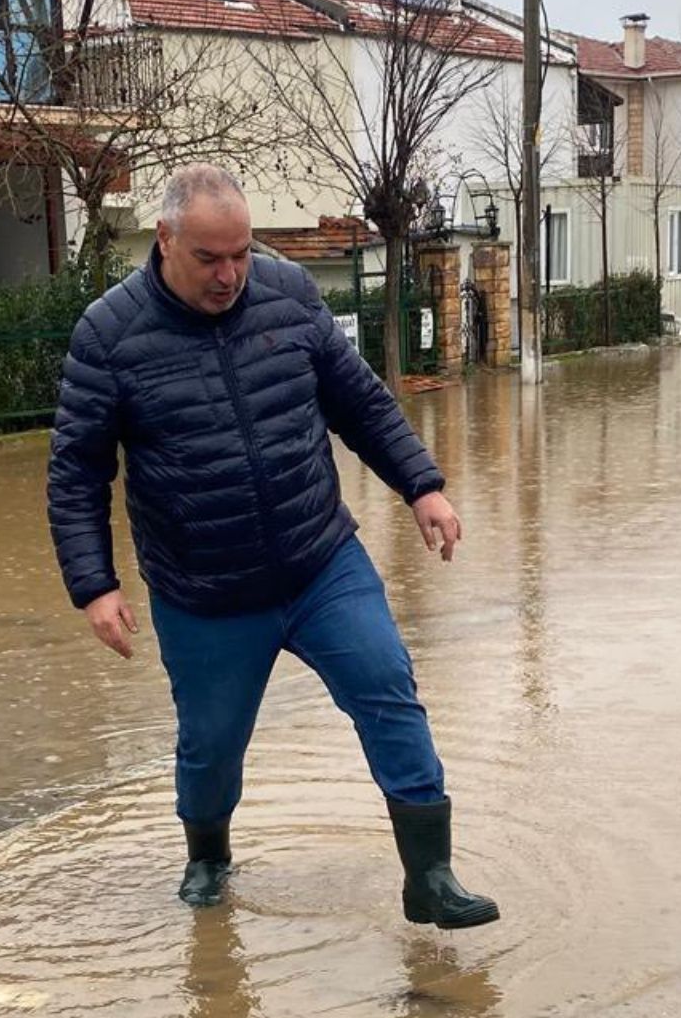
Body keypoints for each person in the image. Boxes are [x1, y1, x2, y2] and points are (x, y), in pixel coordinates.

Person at [46, 164, 498, 930]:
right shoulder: (109, 334)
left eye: (241, 254)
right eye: (209, 259)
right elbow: (77, 471)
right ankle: (208, 859)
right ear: (165, 239)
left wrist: (421, 485)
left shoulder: (289, 294)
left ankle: (430, 877)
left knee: (387, 686)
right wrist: (95, 585)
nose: (230, 276)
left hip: (319, 560)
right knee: (211, 746)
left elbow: (359, 402)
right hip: (205, 591)